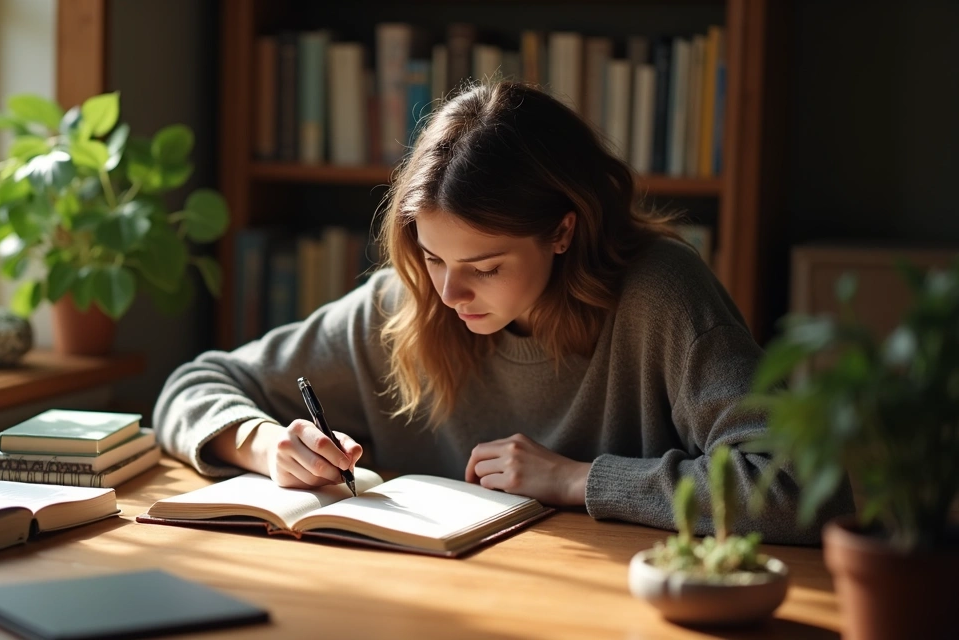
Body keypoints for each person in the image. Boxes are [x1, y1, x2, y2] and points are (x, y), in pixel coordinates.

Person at [154, 81, 851, 544]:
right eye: (432, 257)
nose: (449, 294)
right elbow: (195, 384)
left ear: (563, 231)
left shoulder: (659, 294)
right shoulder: (412, 301)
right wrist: (261, 445)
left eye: (484, 268)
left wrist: (577, 479)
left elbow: (797, 487)